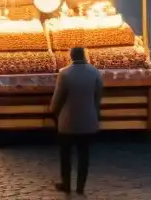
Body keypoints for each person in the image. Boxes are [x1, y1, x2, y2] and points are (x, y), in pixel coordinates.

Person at [50, 46, 103, 194]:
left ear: (70, 56)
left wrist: (53, 111)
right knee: (84, 154)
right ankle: (81, 186)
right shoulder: (95, 73)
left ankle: (66, 184)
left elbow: (57, 99)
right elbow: (98, 97)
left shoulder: (64, 74)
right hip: (88, 120)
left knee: (65, 154)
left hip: (67, 122)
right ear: (84, 55)